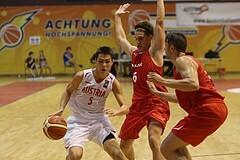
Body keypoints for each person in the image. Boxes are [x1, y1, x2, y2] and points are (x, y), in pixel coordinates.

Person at [146, 32, 228, 160]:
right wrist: (158, 93)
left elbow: (193, 84)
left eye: (165, 46)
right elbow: (182, 97)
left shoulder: (182, 60)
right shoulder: (182, 64)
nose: (164, 49)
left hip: (207, 110)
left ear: (172, 48)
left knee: (165, 149)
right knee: (178, 145)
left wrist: (162, 81)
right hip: (213, 109)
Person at [50, 46, 129, 160]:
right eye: (100, 61)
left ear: (112, 62)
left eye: (107, 61)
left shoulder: (113, 82)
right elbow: (68, 91)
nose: (104, 65)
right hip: (78, 121)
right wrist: (61, 108)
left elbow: (125, 107)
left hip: (99, 121)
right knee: (75, 155)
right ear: (95, 61)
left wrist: (118, 111)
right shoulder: (82, 76)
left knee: (118, 154)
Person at [115, 1, 170, 160]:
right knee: (124, 146)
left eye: (140, 39)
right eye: (136, 38)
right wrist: (117, 17)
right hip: (137, 106)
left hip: (155, 102)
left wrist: (159, 0)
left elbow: (159, 21)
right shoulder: (134, 53)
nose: (137, 42)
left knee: (153, 139)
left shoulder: (155, 52)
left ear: (150, 38)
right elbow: (120, 38)